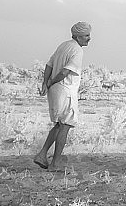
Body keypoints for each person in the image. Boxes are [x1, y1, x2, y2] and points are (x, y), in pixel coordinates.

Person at [33, 21, 91, 171]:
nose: (89, 38)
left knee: (59, 124)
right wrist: (51, 81)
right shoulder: (77, 50)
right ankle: (55, 163)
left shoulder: (63, 45)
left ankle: (42, 155)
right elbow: (65, 71)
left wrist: (46, 83)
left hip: (55, 90)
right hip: (66, 90)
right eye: (86, 35)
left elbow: (49, 65)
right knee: (65, 125)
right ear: (78, 36)